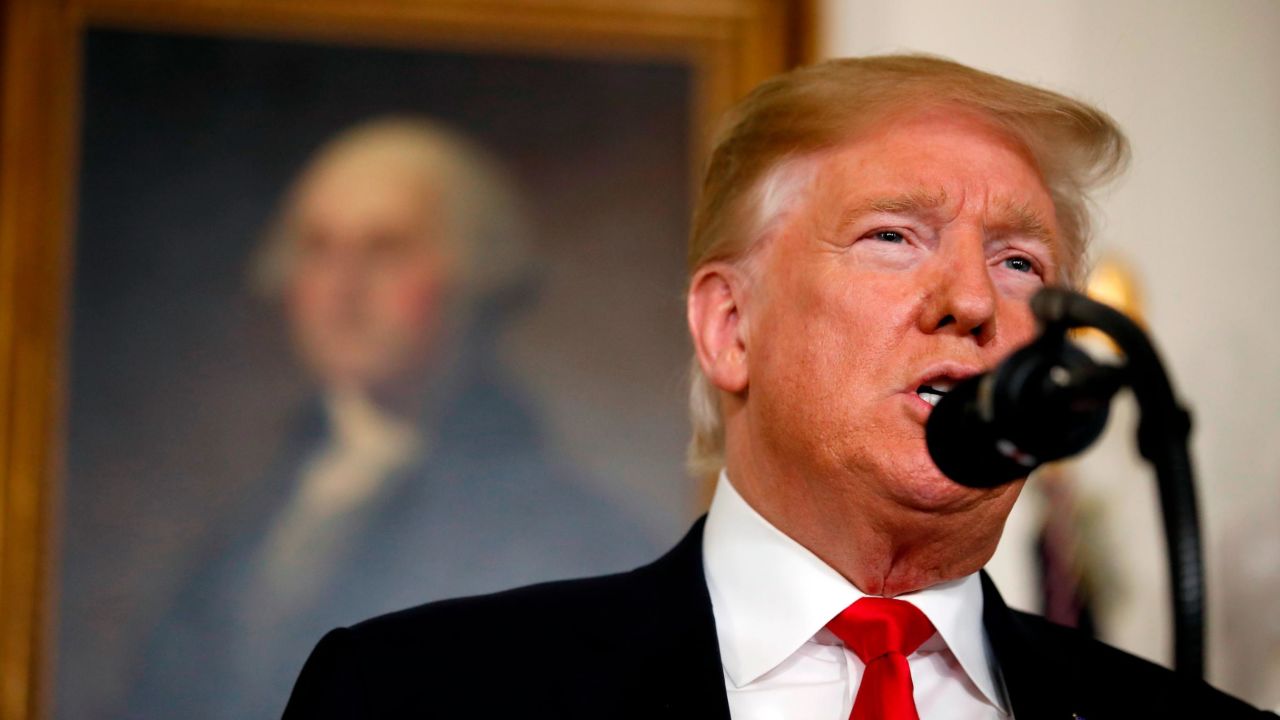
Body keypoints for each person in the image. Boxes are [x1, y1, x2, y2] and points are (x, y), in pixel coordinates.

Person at [282, 57, 1274, 719]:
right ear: (729, 327)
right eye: (893, 235)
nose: (971, 299)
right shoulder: (418, 695)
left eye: (1018, 262)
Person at [125, 117, 659, 719]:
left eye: (385, 249)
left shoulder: (559, 526)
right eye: (318, 248)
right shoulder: (266, 508)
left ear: (472, 274)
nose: (343, 287)